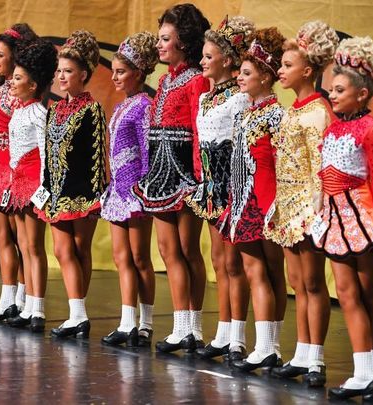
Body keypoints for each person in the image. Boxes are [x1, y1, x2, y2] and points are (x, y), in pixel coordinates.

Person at [313, 37, 373, 401]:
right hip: (334, 218)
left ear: (362, 94)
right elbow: (322, 176)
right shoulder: (332, 128)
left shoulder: (372, 130)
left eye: (340, 89)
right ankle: (365, 374)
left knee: (367, 297)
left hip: (362, 218)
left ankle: (370, 373)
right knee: (346, 294)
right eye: (331, 88)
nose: (331, 94)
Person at [131, 3, 211, 353]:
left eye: (165, 39)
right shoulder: (164, 80)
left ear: (183, 41)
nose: (159, 45)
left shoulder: (196, 80)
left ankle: (192, 326)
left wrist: (198, 176)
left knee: (188, 250)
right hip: (160, 172)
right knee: (167, 250)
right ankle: (182, 325)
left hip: (185, 173)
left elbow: (198, 129)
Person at [267, 21, 339, 387]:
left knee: (312, 282)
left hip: (309, 207)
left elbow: (321, 167)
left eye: (287, 65)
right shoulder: (294, 108)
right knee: (297, 281)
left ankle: (317, 359)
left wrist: (316, 212)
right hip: (288, 203)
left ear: (307, 70)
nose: (280, 70)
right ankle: (301, 351)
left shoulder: (318, 111)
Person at [216, 28, 288, 371]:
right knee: (256, 270)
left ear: (266, 77)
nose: (240, 79)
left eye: (246, 73)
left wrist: (275, 205)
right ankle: (266, 345)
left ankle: (269, 345)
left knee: (269, 271)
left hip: (265, 203)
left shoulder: (276, 115)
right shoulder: (245, 114)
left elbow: (280, 163)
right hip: (243, 201)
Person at [185, 15, 255, 362]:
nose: (202, 62)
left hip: (232, 188)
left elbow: (241, 149)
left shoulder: (240, 99)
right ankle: (224, 330)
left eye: (208, 56)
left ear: (228, 60)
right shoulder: (206, 98)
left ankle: (238, 337)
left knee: (233, 264)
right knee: (218, 261)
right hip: (211, 187)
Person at [35, 29, 106, 339]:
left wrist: (94, 197)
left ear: (84, 74)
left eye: (68, 71)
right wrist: (46, 190)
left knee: (79, 250)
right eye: (59, 71)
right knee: (63, 252)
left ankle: (79, 313)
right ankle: (77, 314)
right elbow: (49, 156)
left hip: (82, 193)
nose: (61, 77)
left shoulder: (92, 110)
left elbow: (97, 154)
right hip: (56, 194)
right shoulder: (54, 110)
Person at [99, 32, 158, 347]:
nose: (115, 77)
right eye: (114, 71)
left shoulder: (144, 105)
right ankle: (127, 322)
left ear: (138, 72)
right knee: (122, 257)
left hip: (136, 190)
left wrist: (144, 186)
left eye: (121, 71)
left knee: (139, 257)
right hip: (117, 190)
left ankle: (146, 323)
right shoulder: (123, 105)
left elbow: (147, 151)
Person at [0, 24, 38, 320]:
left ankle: (24, 298)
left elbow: (22, 133)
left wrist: (18, 172)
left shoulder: (17, 94)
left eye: (1, 55)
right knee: (1, 237)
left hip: (10, 172)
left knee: (18, 240)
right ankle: (9, 295)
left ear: (15, 58)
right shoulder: (0, 89)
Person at [0, 38, 57, 332]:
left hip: (34, 185)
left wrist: (43, 189)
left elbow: (47, 154)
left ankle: (37, 308)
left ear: (33, 85)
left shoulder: (37, 112)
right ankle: (26, 304)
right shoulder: (19, 111)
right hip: (18, 183)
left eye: (18, 79)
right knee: (23, 245)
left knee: (34, 247)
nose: (12, 82)